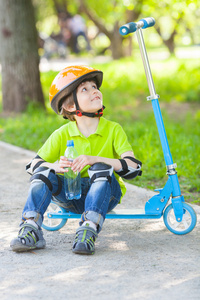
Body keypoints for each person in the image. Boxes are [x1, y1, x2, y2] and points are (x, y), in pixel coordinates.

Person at [10, 65, 142, 255]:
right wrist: (56, 167)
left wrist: (95, 159)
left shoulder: (113, 129)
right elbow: (33, 165)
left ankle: (88, 231)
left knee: (99, 167)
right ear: (71, 106)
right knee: (44, 172)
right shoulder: (62, 134)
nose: (94, 91)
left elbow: (133, 166)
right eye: (85, 89)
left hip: (105, 193)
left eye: (95, 87)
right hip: (71, 196)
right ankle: (31, 228)